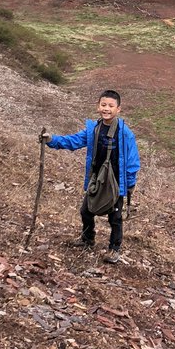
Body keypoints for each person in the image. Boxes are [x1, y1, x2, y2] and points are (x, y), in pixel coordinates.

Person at [43, 90, 140, 264]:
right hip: (97, 179)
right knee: (86, 211)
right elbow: (73, 141)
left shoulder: (125, 133)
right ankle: (88, 239)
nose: (106, 109)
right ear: (98, 106)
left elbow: (132, 160)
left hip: (115, 182)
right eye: (103, 105)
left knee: (115, 217)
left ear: (118, 109)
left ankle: (114, 249)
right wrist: (52, 140)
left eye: (111, 106)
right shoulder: (94, 129)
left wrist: (130, 183)